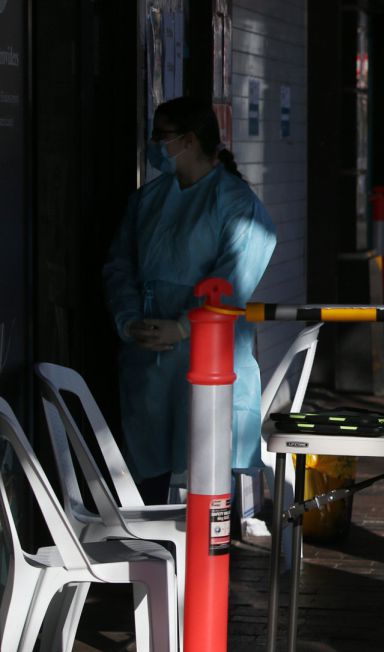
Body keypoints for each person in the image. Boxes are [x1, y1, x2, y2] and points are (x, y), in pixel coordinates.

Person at [103, 96, 277, 504]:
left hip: (209, 357)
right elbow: (118, 267)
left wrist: (183, 326)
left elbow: (234, 279)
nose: (154, 144)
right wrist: (129, 320)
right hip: (148, 358)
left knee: (209, 481)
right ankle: (158, 559)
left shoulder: (237, 204)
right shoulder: (148, 200)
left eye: (162, 136)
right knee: (148, 479)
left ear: (191, 140)